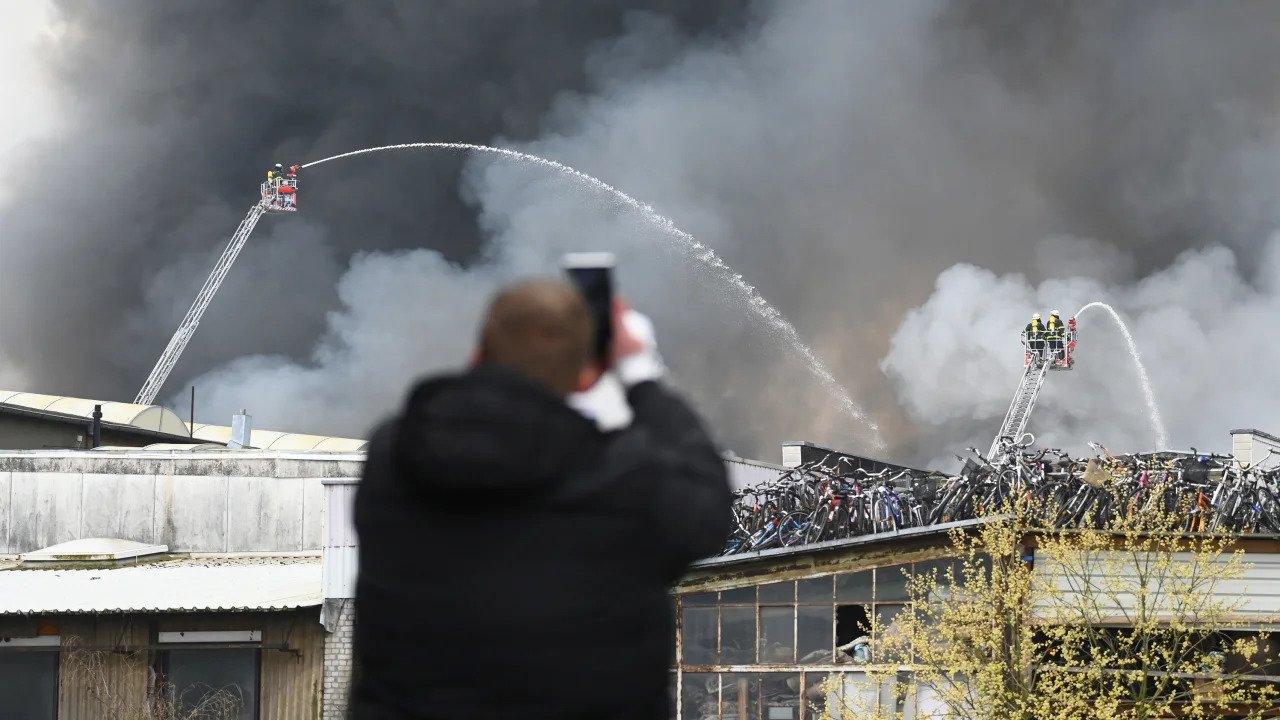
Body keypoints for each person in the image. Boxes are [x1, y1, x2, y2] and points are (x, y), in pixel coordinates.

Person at [352, 279, 732, 720]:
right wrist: (640, 375)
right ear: (587, 374)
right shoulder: (621, 476)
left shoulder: (391, 459)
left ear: (477, 356)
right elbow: (707, 513)